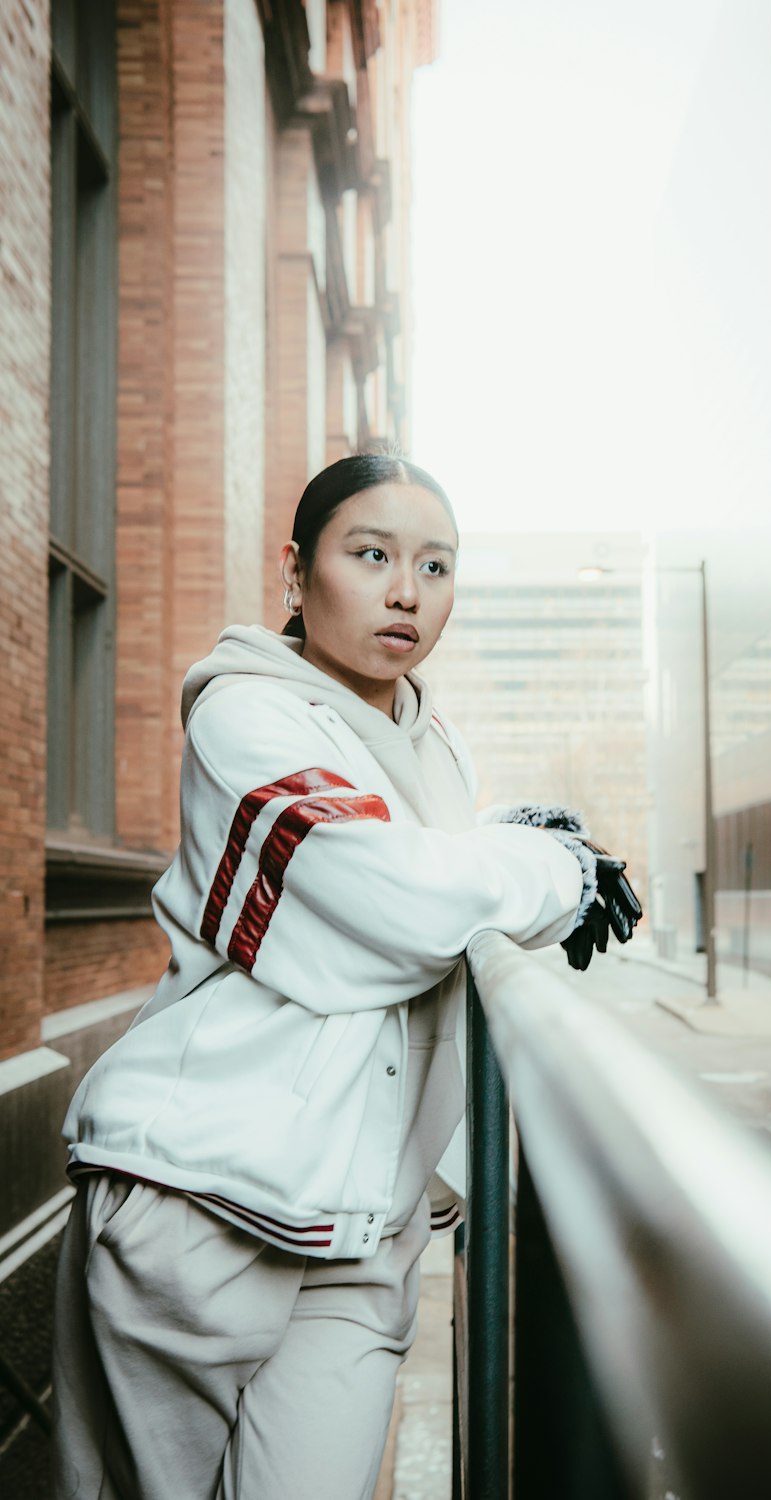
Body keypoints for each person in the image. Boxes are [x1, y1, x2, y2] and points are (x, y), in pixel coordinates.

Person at [51, 452, 641, 1500]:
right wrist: (554, 869)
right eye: (371, 555)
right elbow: (398, 901)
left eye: (436, 566)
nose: (407, 590)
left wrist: (521, 838)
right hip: (198, 1204)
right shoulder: (245, 712)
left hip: (363, 1231)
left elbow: (429, 862)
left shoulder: (428, 740)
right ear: (296, 572)